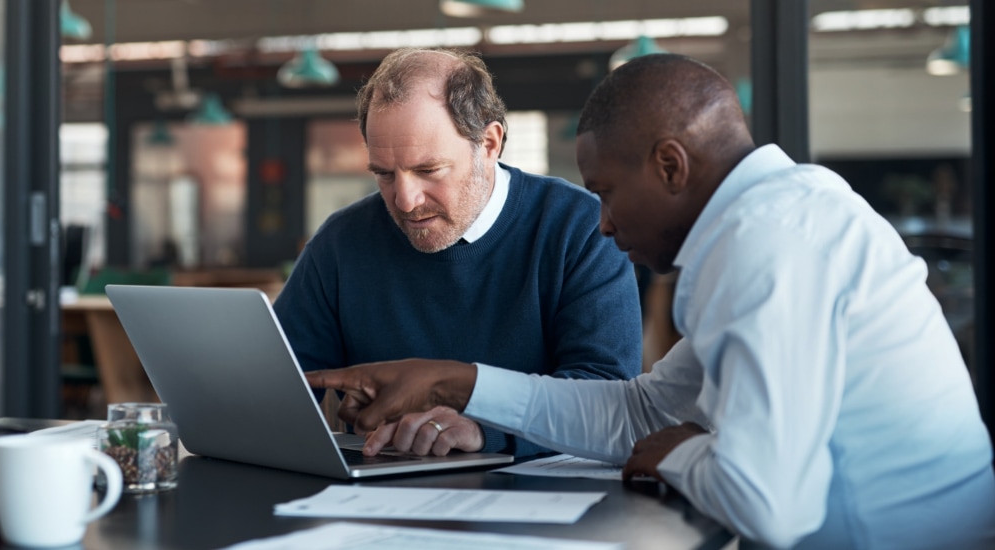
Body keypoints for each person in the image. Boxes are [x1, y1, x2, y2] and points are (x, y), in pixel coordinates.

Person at [306, 54, 995, 549]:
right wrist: (458, 381)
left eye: (606, 192)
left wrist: (676, 456)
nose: (602, 223)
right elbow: (641, 410)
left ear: (671, 166)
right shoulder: (779, 217)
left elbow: (766, 504)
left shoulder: (765, 245)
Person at [273, 47, 642, 458]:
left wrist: (487, 431)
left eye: (428, 171)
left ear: (489, 143)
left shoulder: (579, 227)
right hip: (381, 499)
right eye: (384, 174)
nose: (406, 200)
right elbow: (278, 382)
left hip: (542, 502)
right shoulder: (342, 241)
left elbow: (607, 397)